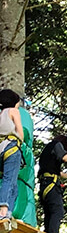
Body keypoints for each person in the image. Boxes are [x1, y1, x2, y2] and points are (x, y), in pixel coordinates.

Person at [0, 89, 24, 220]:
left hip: (1, 148)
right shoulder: (14, 111)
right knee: (9, 180)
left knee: (12, 183)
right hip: (12, 147)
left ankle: (8, 212)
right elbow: (21, 133)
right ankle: (3, 212)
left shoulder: (1, 114)